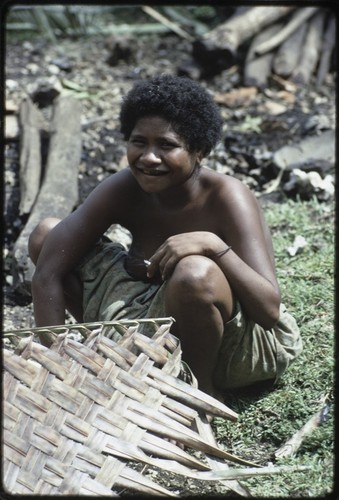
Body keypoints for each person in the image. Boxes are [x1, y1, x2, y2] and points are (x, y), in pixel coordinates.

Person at [29, 74, 302, 399]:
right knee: (47, 235)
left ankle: (198, 397)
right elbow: (48, 273)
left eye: (167, 145)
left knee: (193, 273)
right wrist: (58, 361)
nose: (149, 157)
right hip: (140, 327)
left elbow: (269, 312)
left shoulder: (228, 197)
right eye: (139, 142)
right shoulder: (123, 188)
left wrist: (214, 247)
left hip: (235, 348)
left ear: (199, 151)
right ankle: (107, 360)